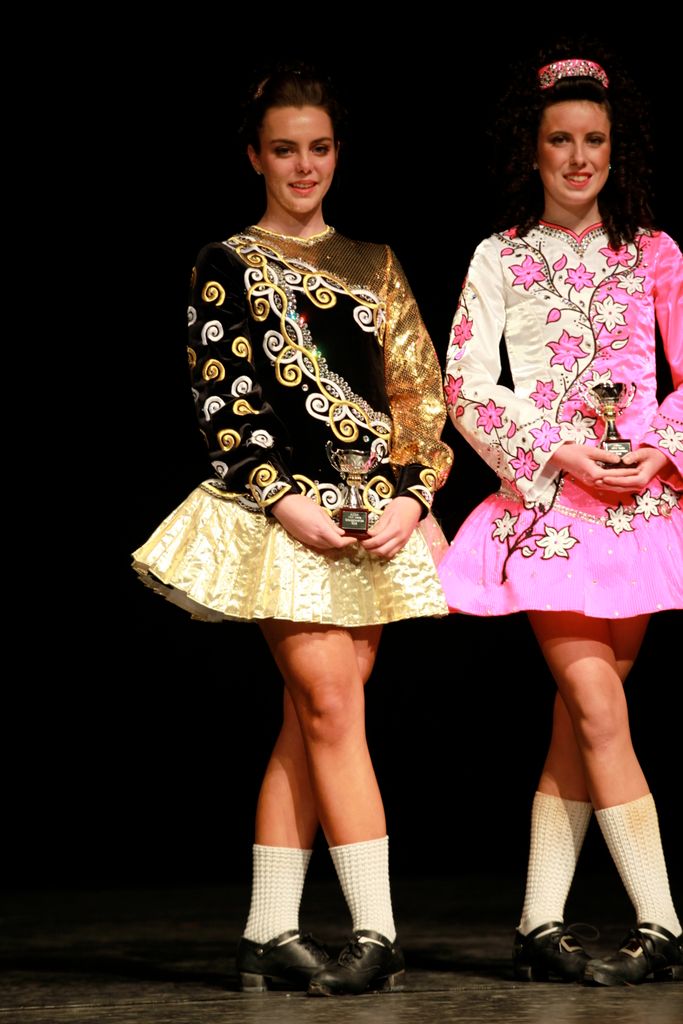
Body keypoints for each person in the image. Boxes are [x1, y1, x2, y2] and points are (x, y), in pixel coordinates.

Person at [132, 65, 452, 997]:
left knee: (309, 719)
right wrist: (283, 500)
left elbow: (419, 398)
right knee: (330, 707)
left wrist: (410, 498)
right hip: (284, 516)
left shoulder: (375, 262)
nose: (303, 166)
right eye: (284, 150)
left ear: (337, 153)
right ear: (255, 158)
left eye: (318, 148)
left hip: (373, 518)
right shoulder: (225, 262)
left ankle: (267, 930)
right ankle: (379, 932)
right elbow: (224, 400)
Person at [438, 43, 682, 986]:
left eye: (593, 141)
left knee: (579, 720)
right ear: (530, 150)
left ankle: (537, 922)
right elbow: (465, 383)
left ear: (616, 149)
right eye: (559, 141)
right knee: (594, 704)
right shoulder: (499, 254)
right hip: (550, 506)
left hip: (634, 509)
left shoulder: (653, 251)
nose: (578, 158)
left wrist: (660, 449)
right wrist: (557, 448)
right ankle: (662, 922)